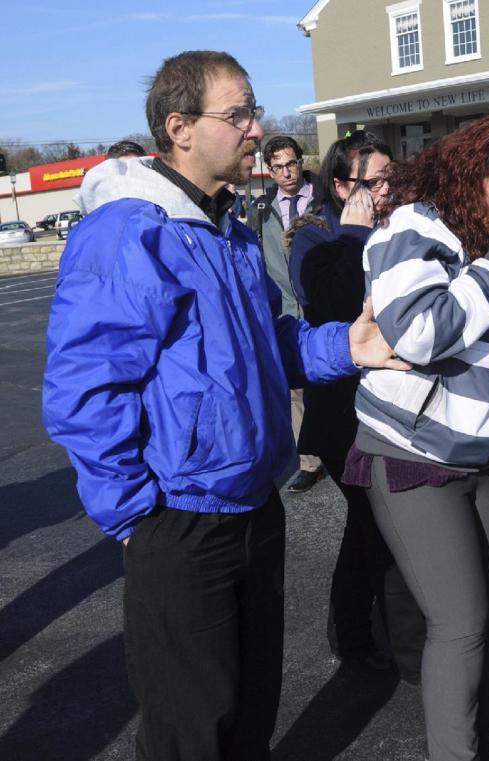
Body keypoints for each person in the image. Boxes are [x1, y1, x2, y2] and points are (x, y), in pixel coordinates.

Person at [42, 50, 406, 761]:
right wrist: (131, 510)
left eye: (253, 110)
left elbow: (269, 343)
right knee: (189, 727)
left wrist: (348, 345)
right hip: (178, 522)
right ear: (179, 127)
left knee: (248, 714)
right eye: (237, 113)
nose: (255, 127)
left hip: (253, 507)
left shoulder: (230, 232)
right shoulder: (129, 233)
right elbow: (84, 387)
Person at [342, 113, 489, 761]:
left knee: (482, 614)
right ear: (468, 179)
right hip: (410, 454)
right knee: (458, 625)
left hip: (481, 456)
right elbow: (421, 334)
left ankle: (480, 738)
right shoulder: (413, 230)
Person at [288, 130, 425, 678]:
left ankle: (357, 632)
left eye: (393, 176)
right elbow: (330, 302)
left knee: (369, 525)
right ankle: (375, 640)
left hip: (391, 401)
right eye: (375, 181)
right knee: (374, 526)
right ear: (343, 185)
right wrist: (354, 234)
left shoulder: (400, 223)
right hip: (341, 410)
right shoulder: (313, 235)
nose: (387, 188)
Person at [252, 135, 326, 494]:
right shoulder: (261, 209)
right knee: (296, 388)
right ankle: (310, 462)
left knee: (339, 381)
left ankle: (355, 449)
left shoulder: (326, 198)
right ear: (270, 170)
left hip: (327, 306)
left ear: (300, 161)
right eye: (278, 167)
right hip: (288, 312)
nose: (286, 172)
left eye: (291, 163)